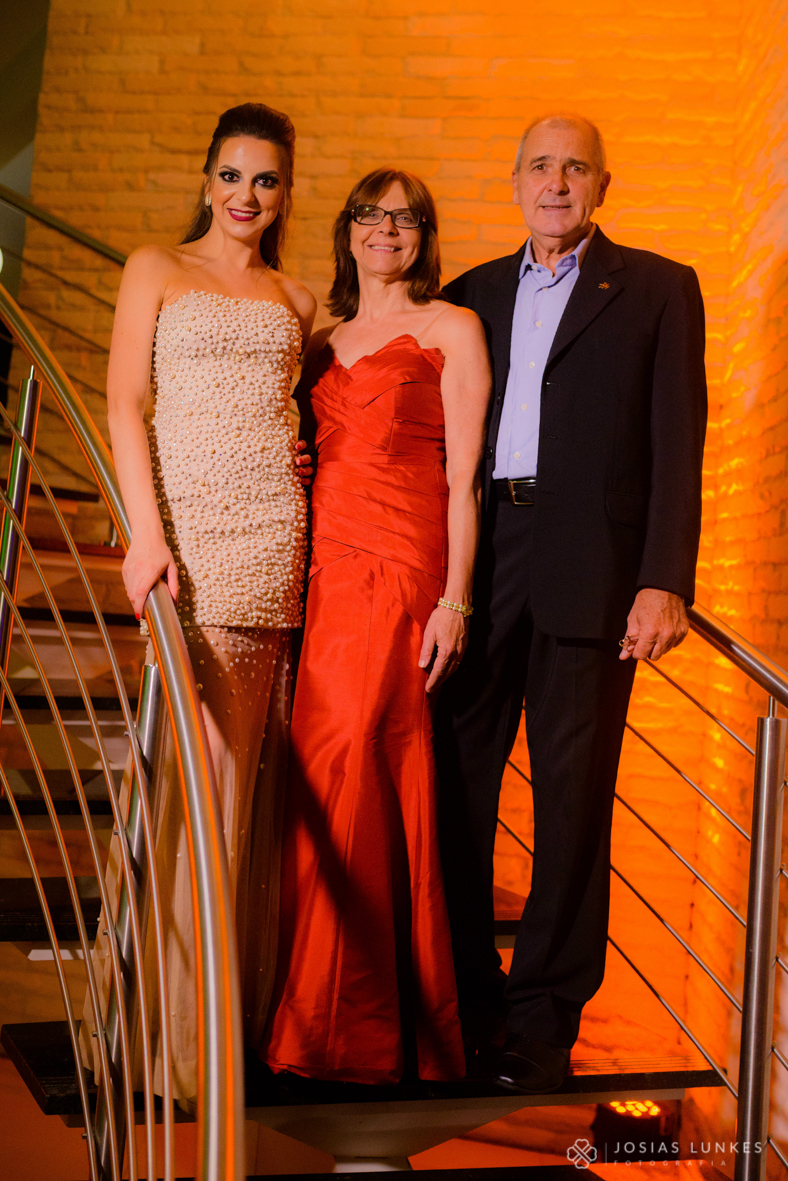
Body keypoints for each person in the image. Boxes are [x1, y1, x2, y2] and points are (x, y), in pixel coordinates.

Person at [435, 114, 707, 1093]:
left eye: (575, 167)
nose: (556, 182)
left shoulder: (658, 288)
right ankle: (461, 1001)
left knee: (573, 798)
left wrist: (663, 576)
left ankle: (540, 1025)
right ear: (514, 182)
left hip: (593, 567)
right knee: (451, 786)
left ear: (601, 185)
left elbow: (677, 439)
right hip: (483, 555)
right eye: (540, 166)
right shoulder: (468, 293)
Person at [82, 102, 316, 1105]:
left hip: (272, 538)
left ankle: (212, 1033)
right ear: (206, 177)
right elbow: (122, 402)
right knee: (184, 777)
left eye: (265, 180)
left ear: (285, 192)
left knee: (233, 790)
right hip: (186, 543)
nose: (245, 196)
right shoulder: (155, 267)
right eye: (231, 175)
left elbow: (300, 415)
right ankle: (158, 1029)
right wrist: (145, 533)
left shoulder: (298, 296)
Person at [261, 168, 491, 1084]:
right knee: (321, 770)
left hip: (402, 569)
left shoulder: (452, 329)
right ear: (348, 229)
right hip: (323, 572)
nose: (386, 230)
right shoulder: (319, 341)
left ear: (423, 235)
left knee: (364, 754)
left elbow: (465, 478)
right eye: (371, 214)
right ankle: (309, 1008)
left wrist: (456, 599)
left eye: (405, 218)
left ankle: (353, 1028)